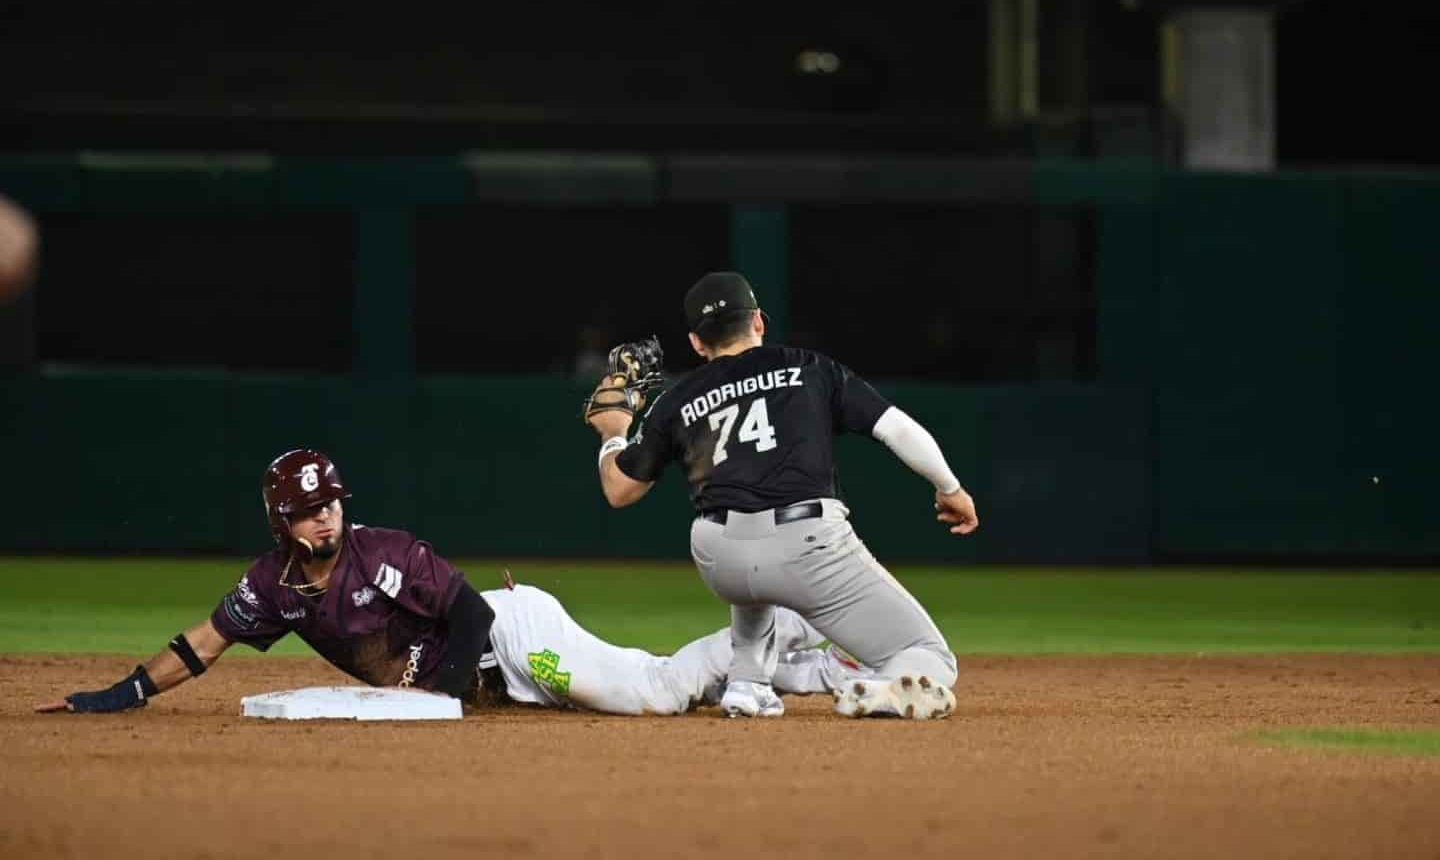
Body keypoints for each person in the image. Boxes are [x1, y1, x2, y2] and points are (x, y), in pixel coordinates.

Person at [36, 448, 852, 717]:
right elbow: (203, 644)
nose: (326, 520)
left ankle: (773, 630)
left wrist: (440, 701)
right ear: (282, 521)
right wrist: (129, 692)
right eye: (309, 512)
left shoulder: (381, 551)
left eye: (332, 506)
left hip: (512, 637)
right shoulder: (273, 588)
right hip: (490, 674)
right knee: (656, 689)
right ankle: (803, 665)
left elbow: (466, 615)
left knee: (657, 694)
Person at [584, 271, 979, 721]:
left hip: (719, 557)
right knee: (930, 656)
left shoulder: (678, 399)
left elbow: (619, 490)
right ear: (757, 322)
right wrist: (952, 489)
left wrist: (613, 435)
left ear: (696, 343)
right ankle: (871, 687)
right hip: (805, 548)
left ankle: (748, 683)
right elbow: (898, 429)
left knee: (757, 569)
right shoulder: (809, 368)